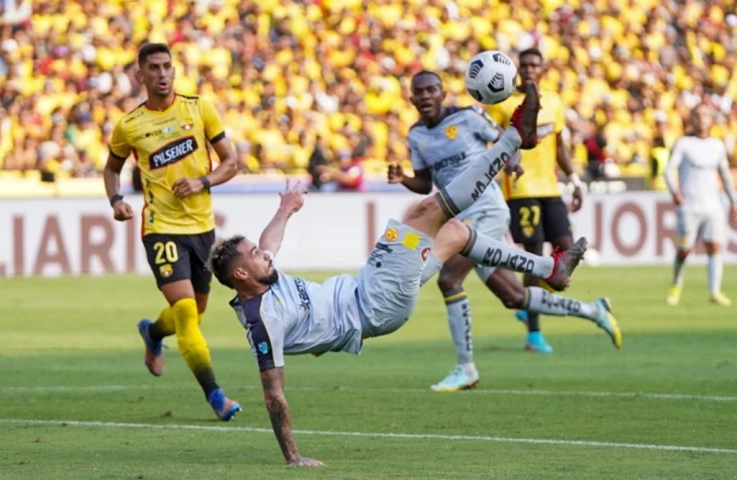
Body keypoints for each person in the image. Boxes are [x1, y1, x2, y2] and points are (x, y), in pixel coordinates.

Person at [208, 86, 621, 465]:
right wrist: (293, 456)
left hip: (369, 290)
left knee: (454, 233)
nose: (264, 254)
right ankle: (514, 137)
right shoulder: (262, 320)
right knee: (427, 211)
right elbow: (274, 393)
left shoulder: (264, 276)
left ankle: (550, 269)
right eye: (254, 255)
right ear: (241, 273)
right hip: (372, 303)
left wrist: (285, 210)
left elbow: (270, 242)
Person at [389, 71, 620, 392]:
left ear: (443, 93)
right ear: (411, 98)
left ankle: (465, 367)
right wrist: (404, 179)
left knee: (449, 279)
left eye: (431, 90)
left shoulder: (469, 117)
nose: (426, 96)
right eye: (420, 92)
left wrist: (511, 162)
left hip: (487, 211)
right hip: (459, 220)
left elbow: (508, 138)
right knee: (514, 297)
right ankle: (594, 310)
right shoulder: (416, 136)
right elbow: (425, 182)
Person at [102, 43, 241, 421]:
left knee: (194, 314)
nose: (162, 73)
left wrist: (202, 182)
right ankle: (216, 396)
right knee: (185, 310)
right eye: (154, 68)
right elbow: (111, 168)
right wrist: (116, 199)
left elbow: (231, 163)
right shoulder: (130, 125)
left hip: (202, 229)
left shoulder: (200, 109)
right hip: (160, 229)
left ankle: (153, 333)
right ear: (140, 75)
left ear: (174, 71)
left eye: (167, 66)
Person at [489, 48, 584, 354]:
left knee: (566, 250)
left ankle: (528, 301)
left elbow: (559, 146)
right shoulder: (503, 102)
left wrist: (575, 180)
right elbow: (494, 143)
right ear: (518, 69)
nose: (530, 69)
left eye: (534, 65)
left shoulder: (553, 101)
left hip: (550, 188)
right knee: (534, 254)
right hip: (521, 189)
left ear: (542, 69)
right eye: (525, 65)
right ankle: (534, 334)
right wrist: (506, 164)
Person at [664, 103, 737, 306]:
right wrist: (674, 191)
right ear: (691, 119)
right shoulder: (684, 143)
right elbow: (669, 170)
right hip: (689, 205)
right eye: (697, 115)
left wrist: (734, 201)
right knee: (684, 249)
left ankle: (714, 291)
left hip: (713, 205)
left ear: (711, 120)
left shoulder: (717, 145)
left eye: (705, 115)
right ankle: (676, 286)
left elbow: (725, 175)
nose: (701, 119)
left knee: (714, 246)